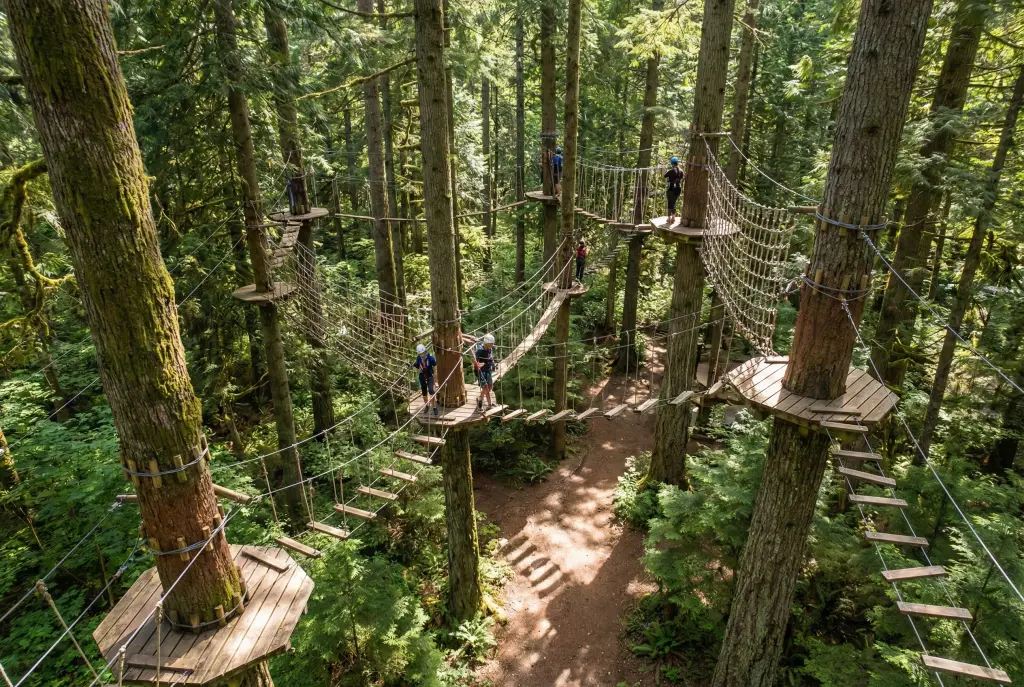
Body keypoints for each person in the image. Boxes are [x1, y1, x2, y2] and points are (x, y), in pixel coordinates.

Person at [412, 344, 438, 416]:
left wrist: (436, 381)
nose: (421, 355)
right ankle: (427, 405)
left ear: (425, 351)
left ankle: (434, 407)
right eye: (420, 354)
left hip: (429, 376)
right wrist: (413, 364)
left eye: (422, 353)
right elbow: (418, 365)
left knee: (431, 390)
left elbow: (435, 369)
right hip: (422, 376)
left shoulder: (431, 359)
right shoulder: (418, 358)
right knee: (424, 391)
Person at [474, 334, 496, 410]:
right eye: (491, 344)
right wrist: (479, 365)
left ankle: (480, 398)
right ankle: (487, 403)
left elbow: (491, 357)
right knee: (485, 388)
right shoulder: (479, 350)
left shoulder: (489, 349)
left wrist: (493, 364)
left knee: (490, 387)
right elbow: (474, 361)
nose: (492, 346)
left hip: (488, 369)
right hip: (481, 371)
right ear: (486, 343)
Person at [665, 156, 684, 225]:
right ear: (677, 163)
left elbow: (664, 176)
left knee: (670, 203)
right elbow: (682, 177)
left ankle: (669, 218)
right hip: (678, 189)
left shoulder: (670, 171)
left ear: (672, 163)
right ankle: (673, 217)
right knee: (674, 203)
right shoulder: (681, 171)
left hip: (671, 189)